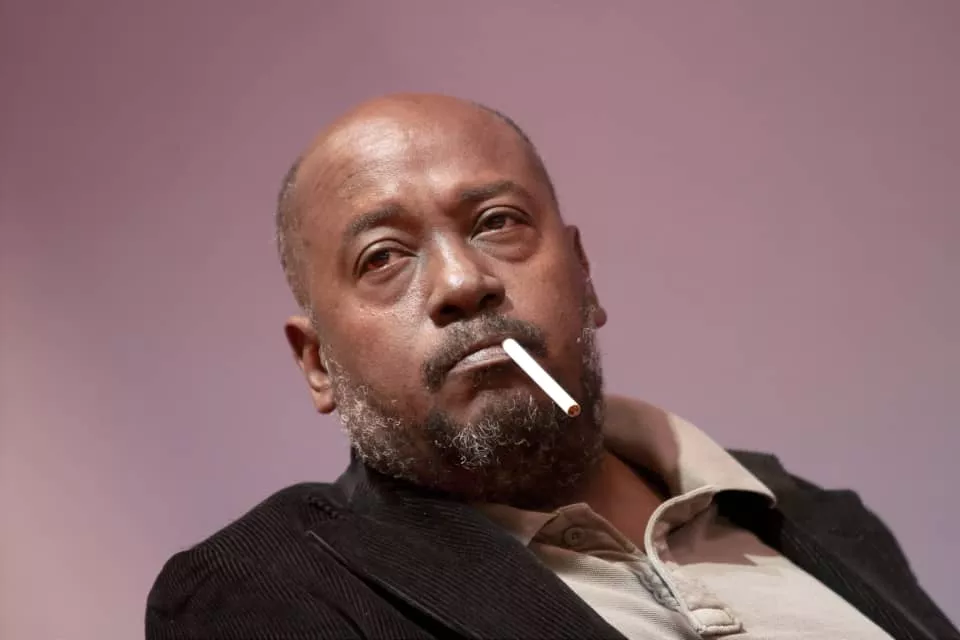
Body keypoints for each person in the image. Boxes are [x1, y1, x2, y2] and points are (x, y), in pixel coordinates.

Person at [145, 93, 957, 640]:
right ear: (318, 363)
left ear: (585, 277)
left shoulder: (817, 515)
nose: (463, 283)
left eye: (497, 222)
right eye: (383, 257)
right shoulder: (264, 588)